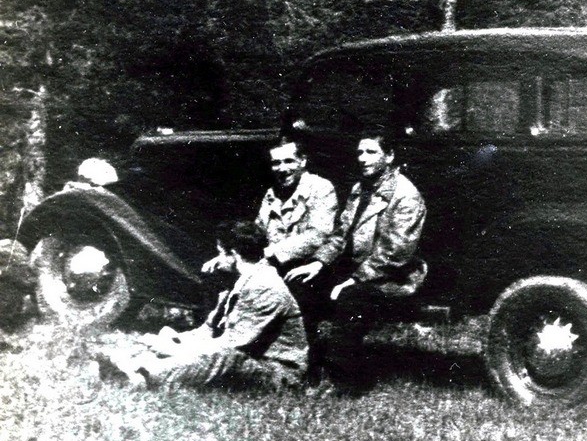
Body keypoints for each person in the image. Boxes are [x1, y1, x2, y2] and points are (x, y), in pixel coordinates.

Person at [285, 129, 427, 391]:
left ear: (389, 156)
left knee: (352, 299)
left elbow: (394, 253)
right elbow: (341, 235)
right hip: (355, 270)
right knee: (301, 285)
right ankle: (304, 366)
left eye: (371, 152)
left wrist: (353, 279)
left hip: (392, 277)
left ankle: (343, 381)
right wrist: (318, 263)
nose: (362, 158)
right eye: (360, 152)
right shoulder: (360, 188)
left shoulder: (406, 195)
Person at [99, 221, 309, 390]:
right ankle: (129, 363)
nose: (217, 259)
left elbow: (233, 344)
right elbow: (208, 330)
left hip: (276, 372)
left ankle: (142, 377)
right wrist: (177, 339)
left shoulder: (264, 286)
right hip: (247, 358)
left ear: (233, 255)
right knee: (175, 341)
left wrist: (175, 349)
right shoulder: (241, 281)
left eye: (220, 252)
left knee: (223, 358)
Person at [202, 137, 337, 274]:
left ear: (302, 161)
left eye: (289, 161)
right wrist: (227, 256)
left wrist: (270, 252)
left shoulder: (320, 188)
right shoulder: (272, 193)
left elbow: (317, 235)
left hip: (303, 270)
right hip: (270, 267)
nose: (282, 169)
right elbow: (256, 233)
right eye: (276, 163)